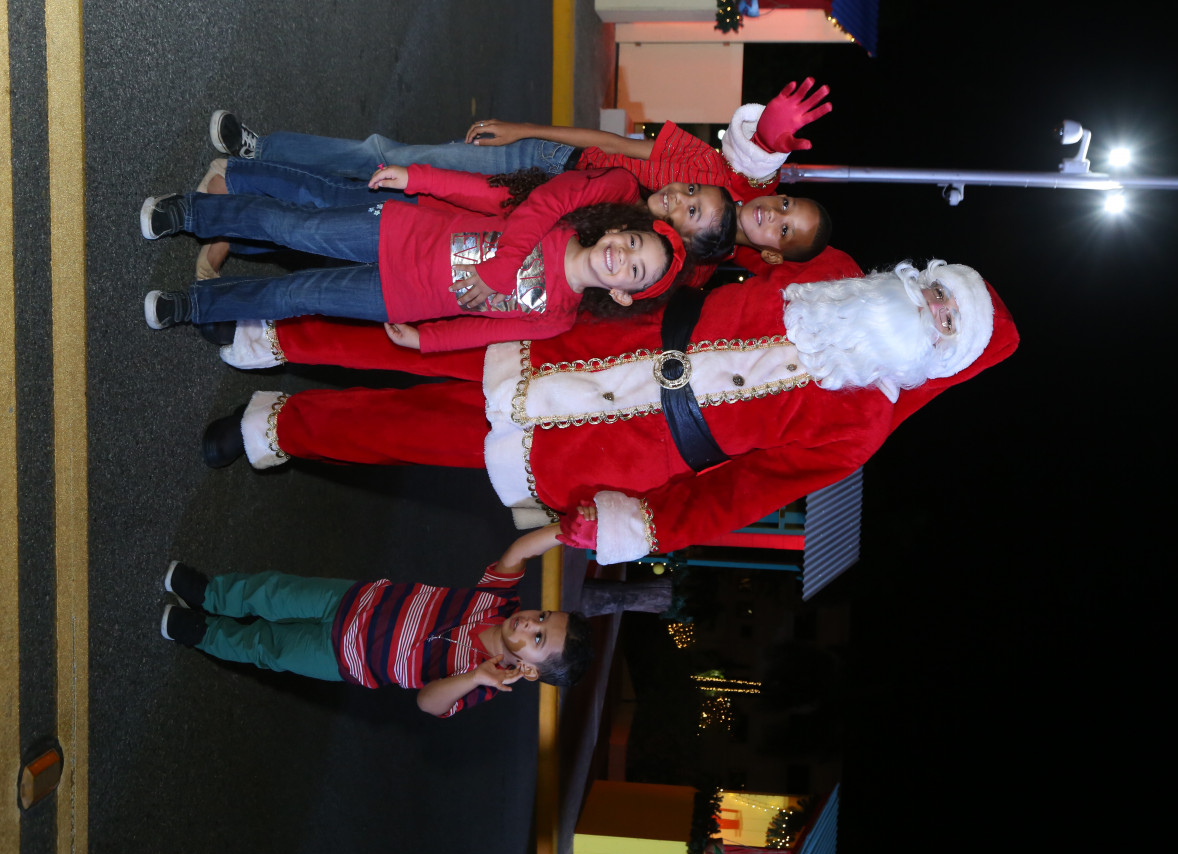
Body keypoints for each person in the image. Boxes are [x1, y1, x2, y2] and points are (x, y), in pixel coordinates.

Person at [200, 250, 1020, 563]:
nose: (930, 308)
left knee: (408, 433)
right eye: (940, 292)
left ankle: (274, 426)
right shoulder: (831, 273)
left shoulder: (860, 427)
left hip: (606, 451)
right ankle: (275, 333)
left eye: (947, 322)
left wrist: (634, 525)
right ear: (921, 275)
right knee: (412, 338)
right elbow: (729, 234)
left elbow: (734, 496)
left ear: (938, 356)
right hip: (591, 337)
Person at [207, 77, 834, 266]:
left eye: (785, 229)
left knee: (379, 223)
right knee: (391, 156)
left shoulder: (696, 266)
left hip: (523, 229)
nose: (774, 215)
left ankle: (249, 221)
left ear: (772, 255)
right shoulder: (708, 168)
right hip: (539, 163)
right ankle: (262, 151)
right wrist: (523, 130)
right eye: (786, 205)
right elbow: (608, 141)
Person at [140, 164, 688, 353]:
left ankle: (196, 304)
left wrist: (428, 341)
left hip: (397, 299)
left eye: (635, 271)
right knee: (293, 227)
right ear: (618, 230)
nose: (622, 258)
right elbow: (488, 193)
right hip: (396, 232)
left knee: (295, 294)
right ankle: (190, 212)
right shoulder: (557, 222)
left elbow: (484, 331)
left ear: (623, 294)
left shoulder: (558, 318)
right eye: (632, 243)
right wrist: (418, 177)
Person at [158, 523, 594, 718]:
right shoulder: (497, 602)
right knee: (273, 592)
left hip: (344, 658)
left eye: (538, 637)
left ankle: (205, 633)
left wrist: (475, 677)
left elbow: (428, 703)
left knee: (267, 648)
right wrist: (571, 531)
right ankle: (212, 594)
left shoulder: (484, 682)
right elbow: (520, 551)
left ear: (529, 671)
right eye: (542, 616)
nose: (528, 623)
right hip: (353, 600)